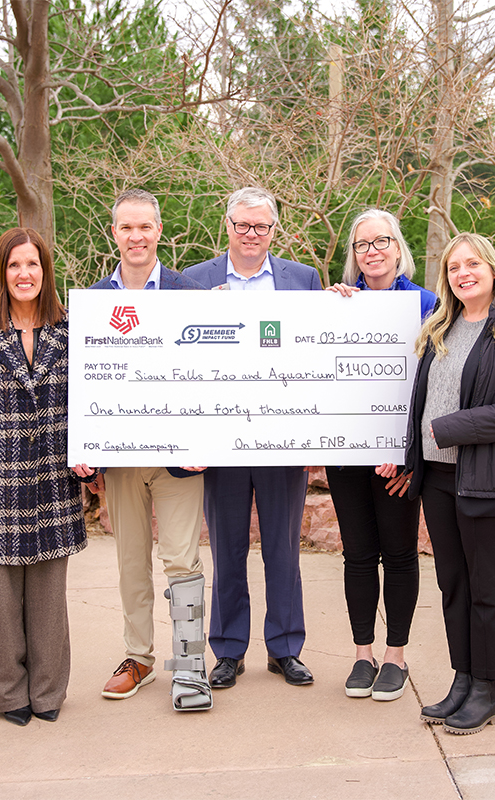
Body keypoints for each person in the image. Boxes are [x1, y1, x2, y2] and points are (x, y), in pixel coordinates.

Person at [400, 231, 495, 735]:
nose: (462, 273)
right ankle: (463, 679)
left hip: (489, 480)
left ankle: (487, 691)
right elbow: (420, 404)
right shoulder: (438, 328)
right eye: (452, 268)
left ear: (492, 269)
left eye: (472, 264)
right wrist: (413, 459)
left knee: (486, 586)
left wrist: (453, 427)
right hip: (438, 478)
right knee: (454, 584)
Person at [0, 227, 87, 727]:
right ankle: (8, 694)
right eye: (14, 266)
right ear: (1, 273)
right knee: (0, 603)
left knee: (49, 599)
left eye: (32, 264)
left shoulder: (70, 327)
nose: (24, 274)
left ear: (45, 271)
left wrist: (91, 454)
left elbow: (90, 402)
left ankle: (49, 693)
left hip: (53, 478)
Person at [183, 187, 323, 689]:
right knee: (227, 547)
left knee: (283, 548)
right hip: (219, 437)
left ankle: (285, 648)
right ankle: (228, 649)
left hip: (283, 436)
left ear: (273, 230)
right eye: (242, 226)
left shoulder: (303, 279)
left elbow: (319, 346)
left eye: (260, 227)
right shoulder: (195, 281)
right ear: (227, 225)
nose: (250, 235)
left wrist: (347, 303)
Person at [81, 189, 211, 711]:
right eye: (125, 228)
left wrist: (209, 437)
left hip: (181, 457)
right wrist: (87, 448)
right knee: (131, 561)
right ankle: (138, 657)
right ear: (114, 233)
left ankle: (190, 664)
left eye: (145, 227)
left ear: (160, 231)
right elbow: (84, 382)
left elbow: (213, 371)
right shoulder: (92, 300)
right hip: (121, 459)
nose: (136, 237)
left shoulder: (189, 292)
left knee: (182, 559)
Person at [325, 209, 436, 702]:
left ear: (398, 248)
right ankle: (362, 653)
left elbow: (436, 386)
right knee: (357, 556)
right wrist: (321, 309)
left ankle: (396, 656)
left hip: (400, 460)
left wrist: (409, 455)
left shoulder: (429, 304)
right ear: (354, 254)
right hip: (348, 456)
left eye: (381, 241)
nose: (372, 251)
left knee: (399, 553)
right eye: (362, 244)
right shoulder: (338, 304)